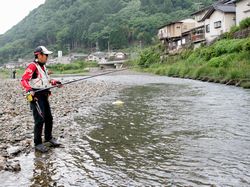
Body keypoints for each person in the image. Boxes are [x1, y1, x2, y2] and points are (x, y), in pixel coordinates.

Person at [21, 46, 62, 153]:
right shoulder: (32, 66)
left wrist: (55, 82)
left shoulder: (43, 67)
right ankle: (38, 143)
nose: (47, 57)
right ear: (39, 55)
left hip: (44, 94)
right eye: (46, 55)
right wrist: (29, 89)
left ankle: (48, 138)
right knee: (39, 119)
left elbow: (47, 80)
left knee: (49, 117)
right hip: (35, 96)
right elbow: (24, 80)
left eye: (47, 55)